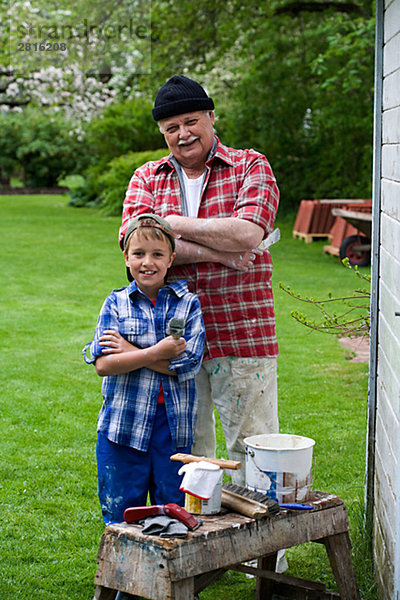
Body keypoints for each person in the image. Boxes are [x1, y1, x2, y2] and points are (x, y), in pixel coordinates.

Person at [119, 75, 280, 486]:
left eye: (191, 121)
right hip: (173, 338)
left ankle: (265, 552)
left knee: (254, 448)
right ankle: (205, 547)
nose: (183, 134)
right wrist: (220, 254)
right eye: (171, 128)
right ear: (162, 132)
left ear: (211, 116)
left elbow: (248, 233)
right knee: (192, 455)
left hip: (241, 329)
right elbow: (137, 247)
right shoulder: (146, 178)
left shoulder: (251, 165)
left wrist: (171, 225)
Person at [83, 214, 205, 525]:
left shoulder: (187, 304)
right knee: (122, 514)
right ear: (126, 257)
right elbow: (104, 364)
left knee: (174, 512)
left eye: (157, 254)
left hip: (173, 430)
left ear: (171, 258)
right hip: (122, 427)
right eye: (138, 254)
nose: (147, 262)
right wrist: (159, 352)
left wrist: (131, 351)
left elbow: (188, 365)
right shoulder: (116, 304)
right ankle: (122, 574)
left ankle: (171, 574)